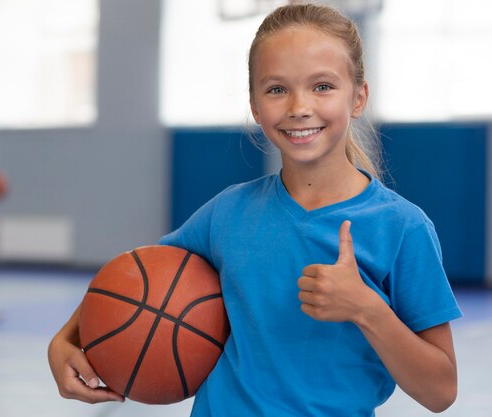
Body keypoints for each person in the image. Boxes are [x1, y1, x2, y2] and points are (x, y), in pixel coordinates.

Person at [47, 3, 461, 415]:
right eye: (277, 89)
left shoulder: (402, 228)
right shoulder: (227, 213)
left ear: (358, 97)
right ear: (255, 106)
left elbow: (440, 391)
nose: (300, 107)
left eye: (322, 86)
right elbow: (137, 285)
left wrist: (366, 309)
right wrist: (65, 340)